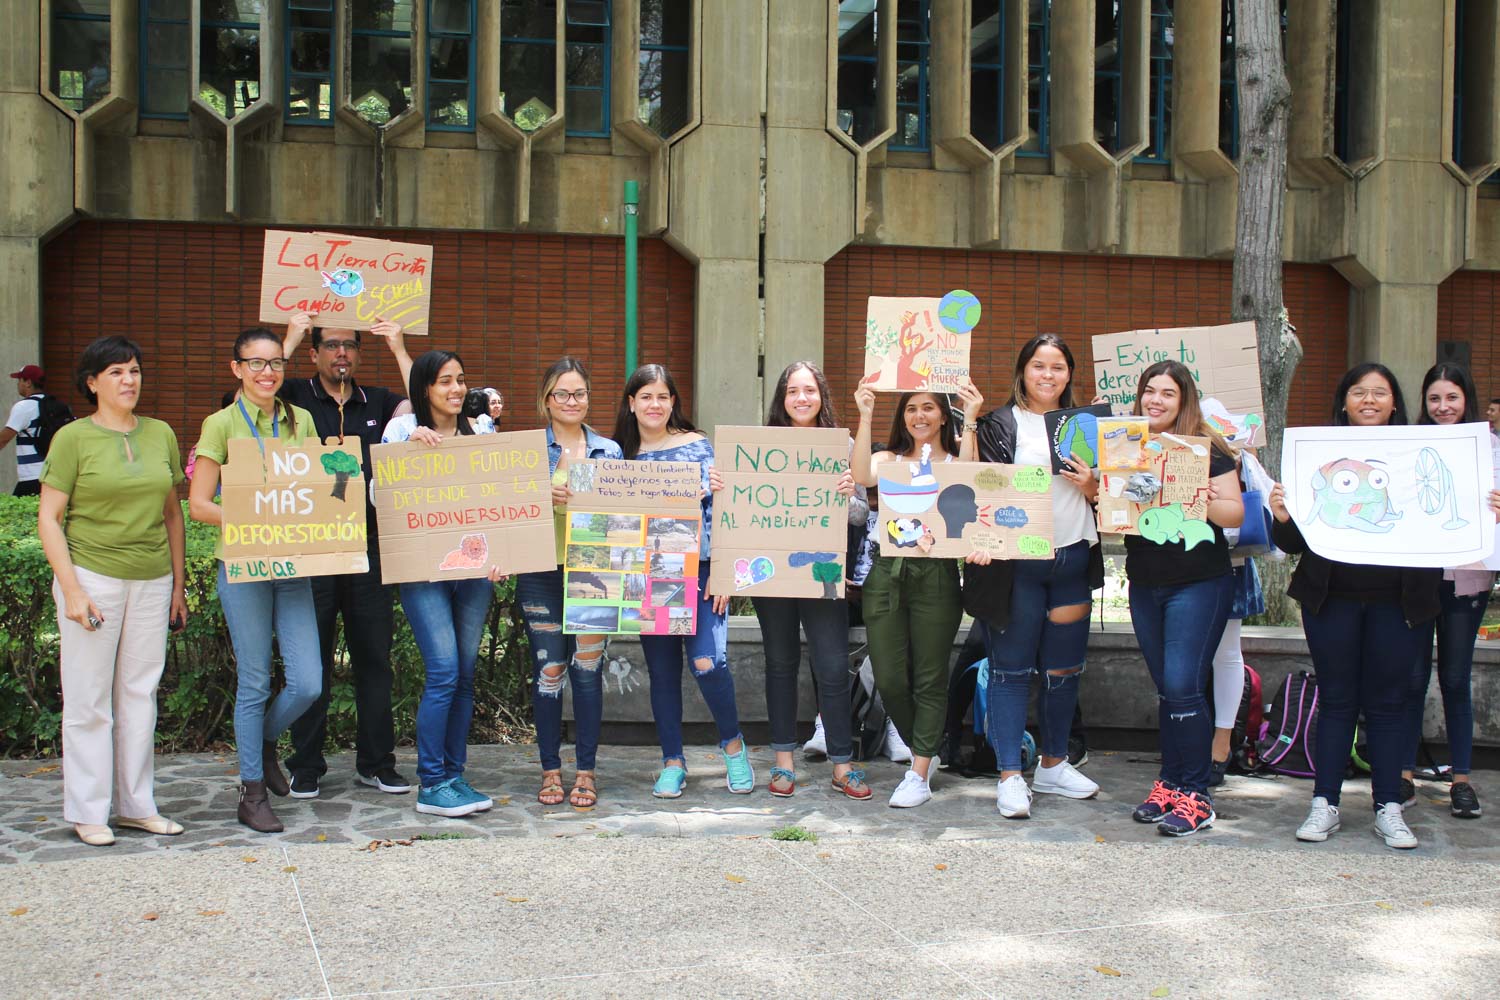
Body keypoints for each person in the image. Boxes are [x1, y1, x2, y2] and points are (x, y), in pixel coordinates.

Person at [1270, 363, 1441, 850]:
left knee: (1389, 705)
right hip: (1333, 600)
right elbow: (1293, 540)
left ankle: (1389, 805)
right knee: (1338, 699)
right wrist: (1283, 515)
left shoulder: (1418, 456)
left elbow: (1446, 520)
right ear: (1344, 402)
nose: (1369, 400)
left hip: (1400, 603)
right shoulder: (1316, 455)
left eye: (1380, 393)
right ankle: (1325, 803)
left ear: (1394, 404)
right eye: (1358, 392)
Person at [37, 338, 187, 847]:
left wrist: (178, 586)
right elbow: (49, 518)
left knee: (140, 695)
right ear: (92, 382)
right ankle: (88, 810)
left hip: (152, 580)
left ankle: (135, 806)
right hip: (93, 578)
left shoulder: (160, 433)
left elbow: (172, 514)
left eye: (136, 371)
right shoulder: (72, 439)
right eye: (117, 372)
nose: (129, 380)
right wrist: (73, 590)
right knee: (88, 700)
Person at [710, 362, 871, 800]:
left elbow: (861, 514)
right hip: (772, 576)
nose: (802, 398)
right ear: (782, 399)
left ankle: (843, 763)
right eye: (793, 391)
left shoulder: (844, 445)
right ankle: (783, 761)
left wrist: (847, 491)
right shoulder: (759, 448)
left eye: (810, 390)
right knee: (780, 665)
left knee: (834, 668)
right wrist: (719, 483)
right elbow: (734, 509)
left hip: (821, 573)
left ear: (822, 396)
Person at [189, 329, 323, 833]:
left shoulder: (301, 419)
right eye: (257, 363)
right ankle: (251, 791)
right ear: (237, 368)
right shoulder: (221, 424)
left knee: (308, 681)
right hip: (243, 565)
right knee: (255, 680)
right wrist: (253, 516)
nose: (268, 373)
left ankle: (265, 742)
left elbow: (318, 488)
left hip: (291, 564)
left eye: (275, 364)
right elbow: (200, 504)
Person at [277, 311, 413, 799]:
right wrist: (289, 337)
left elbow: (427, 402)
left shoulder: (379, 402)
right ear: (315, 354)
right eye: (331, 345)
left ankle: (375, 763)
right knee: (309, 661)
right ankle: (306, 764)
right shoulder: (291, 396)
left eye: (350, 346)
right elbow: (247, 403)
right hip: (310, 547)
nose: (342, 353)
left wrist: (398, 347)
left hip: (369, 546)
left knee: (374, 659)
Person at [966, 334, 1102, 818]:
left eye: (1058, 367)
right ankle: (1009, 775)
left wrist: (1092, 486)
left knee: (1064, 671)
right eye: (1039, 366)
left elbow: (1117, 498)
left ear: (1070, 374)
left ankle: (1054, 764)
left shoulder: (1088, 425)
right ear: (1023, 371)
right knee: (1011, 671)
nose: (1048, 375)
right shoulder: (1001, 424)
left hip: (1072, 558)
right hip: (1018, 566)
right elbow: (978, 486)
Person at [613, 364, 753, 798]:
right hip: (648, 573)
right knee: (662, 671)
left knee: (708, 662)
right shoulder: (619, 456)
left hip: (703, 569)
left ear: (674, 402)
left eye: (663, 396)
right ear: (631, 403)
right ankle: (672, 760)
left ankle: (733, 745)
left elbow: (724, 512)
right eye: (645, 397)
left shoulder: (697, 446)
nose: (654, 404)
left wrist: (725, 571)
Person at [382, 350, 507, 818]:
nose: (455, 390)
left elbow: (501, 498)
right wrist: (406, 451)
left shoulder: (482, 431)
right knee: (444, 672)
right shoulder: (402, 429)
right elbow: (381, 499)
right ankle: (432, 783)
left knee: (466, 676)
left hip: (475, 571)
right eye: (444, 382)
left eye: (460, 380)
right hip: (424, 571)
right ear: (425, 389)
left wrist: (504, 556)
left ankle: (454, 775)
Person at [1123, 361, 1243, 837]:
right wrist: (1100, 487)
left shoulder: (1206, 446)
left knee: (1183, 685)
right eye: (1149, 392)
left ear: (1184, 399)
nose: (1156, 400)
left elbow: (1232, 512)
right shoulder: (1126, 446)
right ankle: (1170, 784)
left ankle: (1197, 795)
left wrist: (1200, 495)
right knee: (1167, 688)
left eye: (1167, 394)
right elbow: (1120, 506)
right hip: (1146, 582)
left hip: (1199, 581)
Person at [852, 381, 983, 807]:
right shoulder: (888, 459)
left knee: (930, 676)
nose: (920, 416)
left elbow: (975, 486)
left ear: (943, 415)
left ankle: (920, 769)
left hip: (938, 574)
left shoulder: (955, 457)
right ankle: (928, 744)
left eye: (929, 408)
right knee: (889, 678)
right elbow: (859, 475)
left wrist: (974, 416)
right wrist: (866, 411)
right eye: (911, 408)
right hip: (887, 573)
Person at [516, 358, 621, 809]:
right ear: (546, 399)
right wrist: (541, 496)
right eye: (562, 393)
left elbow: (626, 516)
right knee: (549, 672)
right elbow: (508, 513)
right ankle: (549, 769)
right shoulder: (526, 452)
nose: (571, 401)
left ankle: (587, 771)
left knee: (587, 673)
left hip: (595, 572)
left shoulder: (610, 451)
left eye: (579, 393)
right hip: (540, 570)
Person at [1400, 363, 1499, 819]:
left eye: (1452, 398)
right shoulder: (1404, 447)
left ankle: (1461, 779)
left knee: (1456, 679)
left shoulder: (1492, 451)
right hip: (1416, 578)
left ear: (1467, 400)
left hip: (1469, 577)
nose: (1443, 407)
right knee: (1411, 679)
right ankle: (1401, 774)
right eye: (1435, 399)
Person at [2, 364, 49, 496]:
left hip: (32, 476)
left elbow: (4, 439)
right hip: (54, 475)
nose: (18, 384)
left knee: (13, 513)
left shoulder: (24, 407)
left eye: (20, 380)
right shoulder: (54, 405)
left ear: (28, 383)